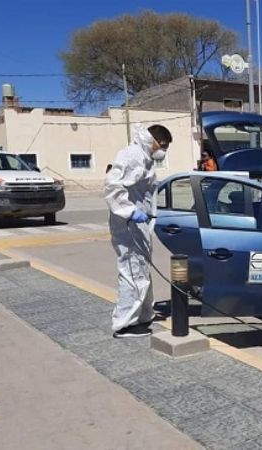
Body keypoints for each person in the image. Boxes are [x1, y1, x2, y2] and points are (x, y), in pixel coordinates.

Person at [104, 124, 171, 338]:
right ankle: (124, 325)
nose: (164, 151)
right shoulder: (132, 155)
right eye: (164, 145)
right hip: (129, 224)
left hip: (138, 224)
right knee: (132, 272)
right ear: (154, 140)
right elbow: (112, 185)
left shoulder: (144, 157)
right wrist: (130, 211)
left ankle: (142, 317)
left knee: (141, 270)